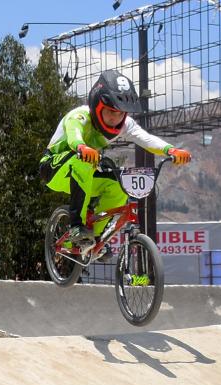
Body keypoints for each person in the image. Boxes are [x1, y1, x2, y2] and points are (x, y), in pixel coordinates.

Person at [39, 69, 191, 259]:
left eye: (120, 114)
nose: (115, 118)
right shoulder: (79, 116)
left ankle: (94, 239)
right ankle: (77, 226)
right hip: (53, 168)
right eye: (110, 111)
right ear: (96, 105)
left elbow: (146, 139)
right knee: (83, 161)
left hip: (84, 171)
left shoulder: (125, 124)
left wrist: (171, 150)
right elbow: (74, 136)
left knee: (119, 186)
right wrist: (81, 147)